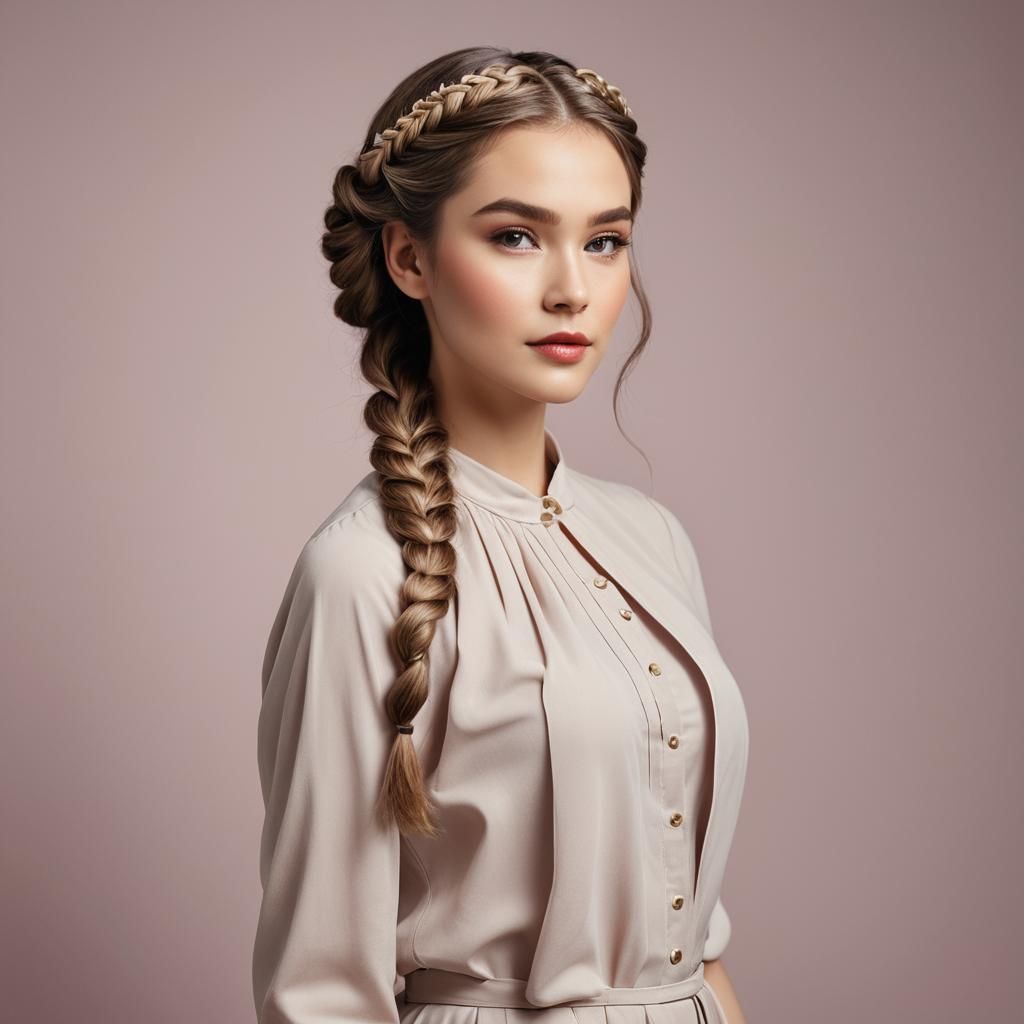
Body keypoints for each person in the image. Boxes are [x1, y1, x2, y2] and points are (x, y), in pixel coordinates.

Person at [253, 46, 751, 1024]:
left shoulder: (654, 539)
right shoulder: (359, 573)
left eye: (604, 240)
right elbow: (320, 998)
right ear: (409, 257)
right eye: (517, 236)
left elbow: (695, 939)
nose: (572, 288)